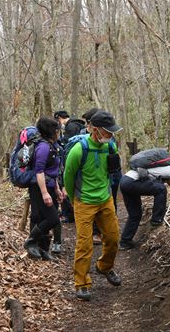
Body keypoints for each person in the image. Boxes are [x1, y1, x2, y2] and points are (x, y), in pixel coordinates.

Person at [64, 110, 123, 301]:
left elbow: (112, 172)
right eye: (107, 132)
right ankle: (81, 283)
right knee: (85, 243)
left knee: (113, 238)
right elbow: (68, 177)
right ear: (95, 130)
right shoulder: (78, 150)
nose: (111, 135)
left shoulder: (110, 146)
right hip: (84, 202)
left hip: (105, 199)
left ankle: (104, 267)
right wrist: (75, 200)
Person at [23, 117, 64, 261]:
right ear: (52, 131)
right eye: (57, 129)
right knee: (53, 219)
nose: (59, 132)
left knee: (44, 218)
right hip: (40, 188)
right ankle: (31, 241)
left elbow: (53, 170)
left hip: (51, 185)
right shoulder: (43, 147)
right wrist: (45, 193)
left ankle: (43, 250)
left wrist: (57, 188)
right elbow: (39, 171)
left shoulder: (52, 145)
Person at [80, 108, 122, 245]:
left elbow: (114, 161)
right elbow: (69, 174)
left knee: (111, 206)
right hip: (86, 195)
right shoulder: (81, 146)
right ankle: (95, 232)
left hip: (108, 185)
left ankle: (107, 231)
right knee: (84, 243)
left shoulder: (109, 142)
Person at [51, 111, 85, 253]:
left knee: (66, 184)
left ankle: (69, 214)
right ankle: (70, 214)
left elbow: (67, 145)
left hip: (71, 161)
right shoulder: (77, 125)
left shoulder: (71, 127)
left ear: (60, 118)